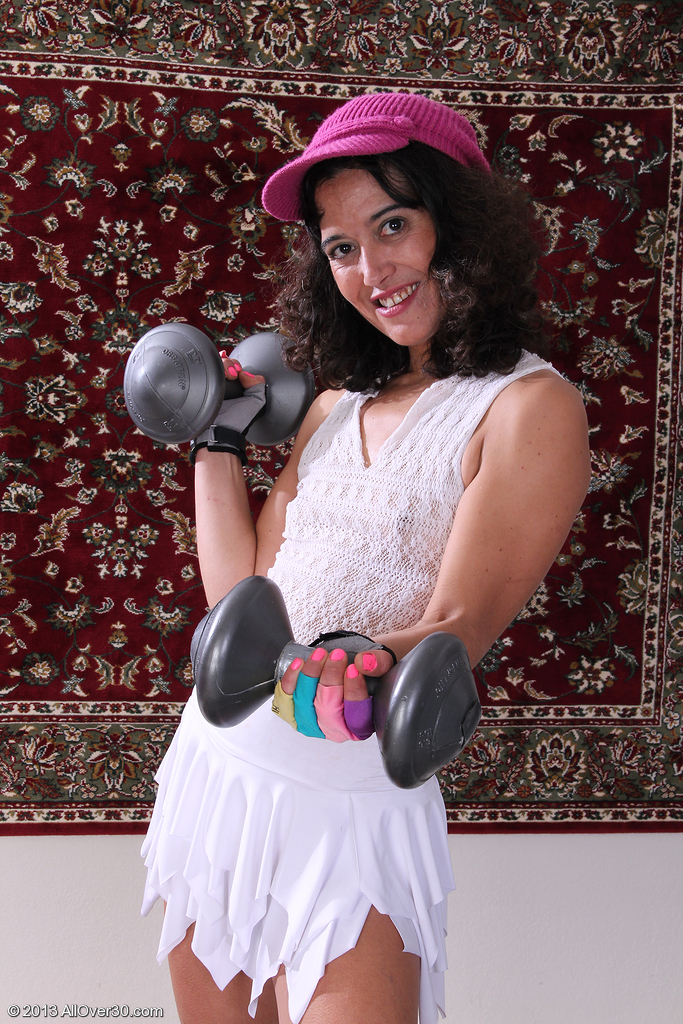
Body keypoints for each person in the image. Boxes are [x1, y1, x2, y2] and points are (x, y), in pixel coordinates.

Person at [141, 92, 591, 1024]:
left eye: (392, 226)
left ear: (460, 225)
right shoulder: (331, 404)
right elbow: (244, 603)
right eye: (341, 247)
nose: (370, 270)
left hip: (350, 802)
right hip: (219, 770)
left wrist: (348, 659)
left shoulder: (527, 407)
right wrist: (215, 440)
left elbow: (457, 628)